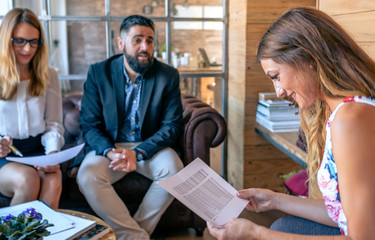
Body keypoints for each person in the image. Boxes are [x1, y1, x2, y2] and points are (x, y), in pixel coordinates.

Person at [208, 7, 375, 240]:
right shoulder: (342, 111)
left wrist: (255, 234)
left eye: (276, 76)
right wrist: (275, 199)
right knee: (281, 224)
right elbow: (342, 212)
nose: (279, 92)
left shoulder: (351, 119)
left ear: (306, 58)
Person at [77, 14, 184, 240]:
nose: (144, 47)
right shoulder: (99, 73)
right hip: (111, 148)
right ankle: (138, 237)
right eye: (137, 40)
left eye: (150, 40)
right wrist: (108, 150)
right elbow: (89, 124)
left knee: (174, 169)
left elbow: (171, 126)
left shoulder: (168, 76)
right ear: (121, 43)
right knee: (87, 175)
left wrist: (138, 152)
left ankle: (131, 234)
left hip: (148, 147)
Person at [0, 8, 64, 209]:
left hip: (38, 151)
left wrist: (52, 154)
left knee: (53, 181)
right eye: (19, 41)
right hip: (4, 156)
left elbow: (54, 125)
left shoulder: (49, 76)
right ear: (6, 39)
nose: (27, 49)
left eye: (33, 42)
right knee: (28, 178)